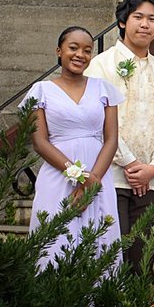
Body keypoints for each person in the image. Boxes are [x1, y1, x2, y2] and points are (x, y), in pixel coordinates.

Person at [85, 0, 154, 275]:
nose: (145, 24)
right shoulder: (100, 66)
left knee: (140, 263)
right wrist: (130, 163)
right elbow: (97, 118)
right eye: (138, 17)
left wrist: (152, 168)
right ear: (123, 21)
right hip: (109, 177)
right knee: (107, 261)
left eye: (152, 19)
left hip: (153, 183)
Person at [24, 26, 123, 267]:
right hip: (57, 176)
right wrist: (79, 176)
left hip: (98, 176)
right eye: (73, 48)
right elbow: (39, 141)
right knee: (55, 241)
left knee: (100, 244)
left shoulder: (104, 89)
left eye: (87, 50)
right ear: (59, 51)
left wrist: (93, 181)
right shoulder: (40, 91)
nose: (81, 54)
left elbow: (111, 139)